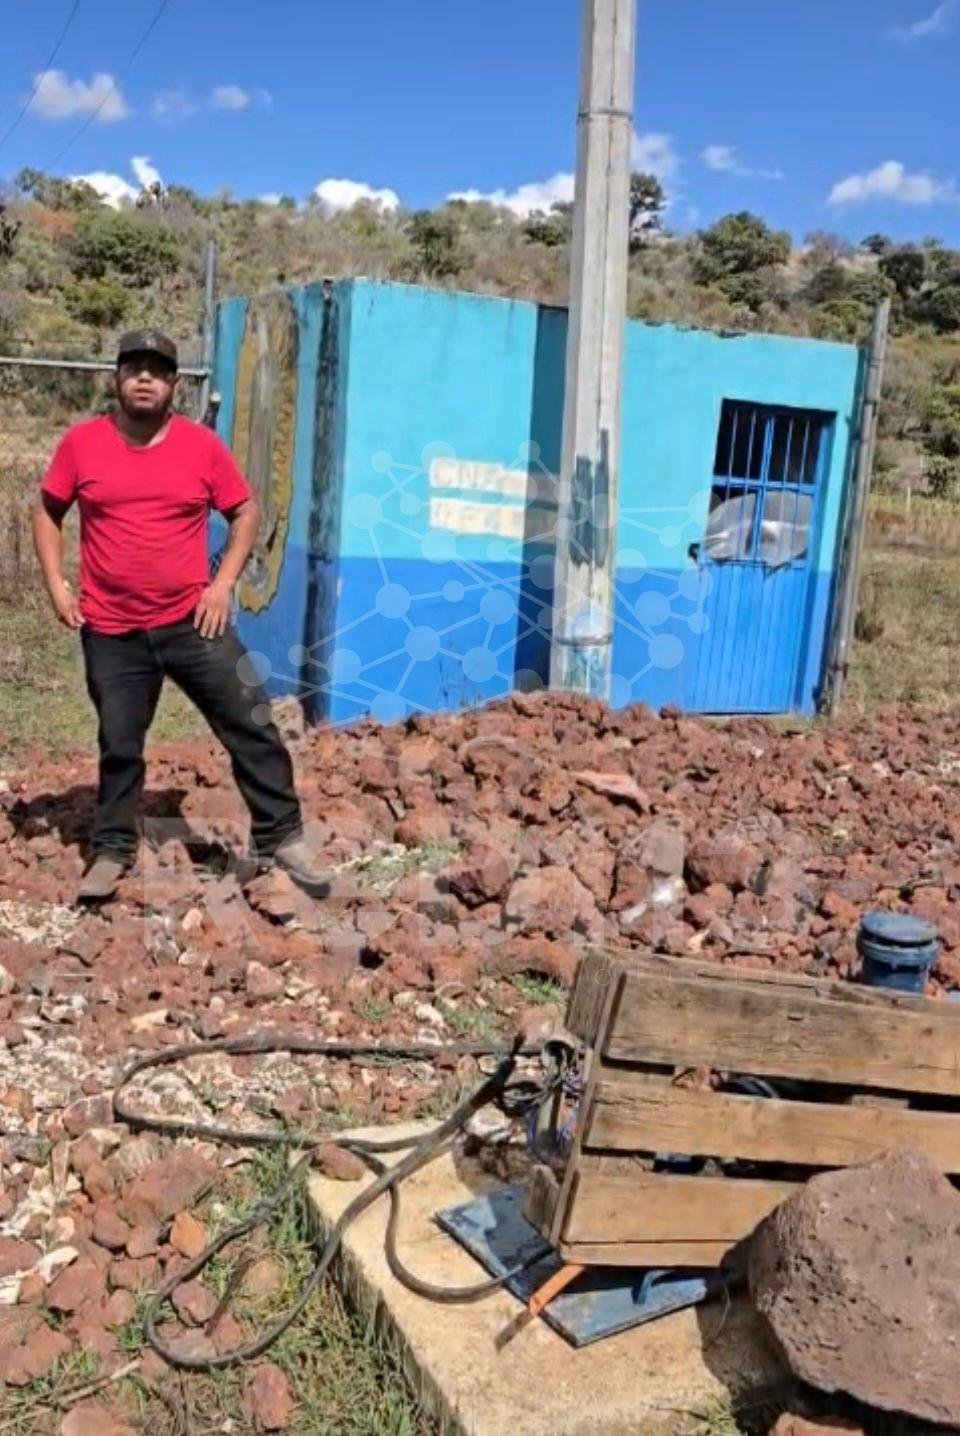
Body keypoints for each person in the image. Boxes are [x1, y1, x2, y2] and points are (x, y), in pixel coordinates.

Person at [32, 328, 327, 902]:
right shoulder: (81, 445)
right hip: (112, 628)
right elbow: (47, 511)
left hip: (193, 623)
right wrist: (54, 584)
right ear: (116, 379)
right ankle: (112, 850)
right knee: (119, 743)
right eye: (134, 367)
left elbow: (245, 512)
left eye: (158, 370)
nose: (145, 378)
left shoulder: (201, 448)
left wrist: (222, 585)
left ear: (173, 385)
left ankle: (282, 836)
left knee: (253, 720)